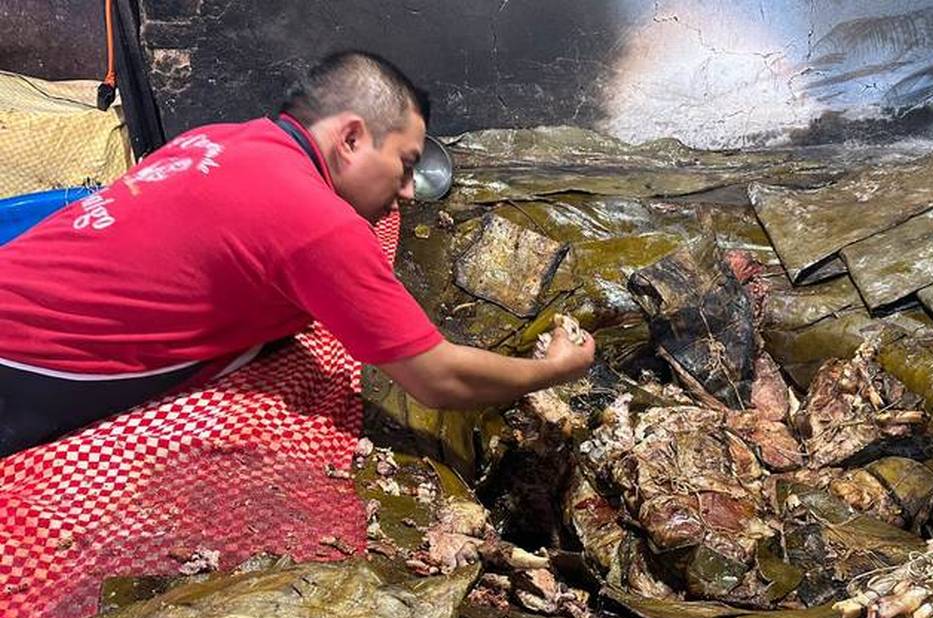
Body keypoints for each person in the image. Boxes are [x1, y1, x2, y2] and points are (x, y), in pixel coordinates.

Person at [0, 51, 595, 457]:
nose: (409, 191)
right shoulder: (319, 225)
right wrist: (554, 370)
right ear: (353, 137)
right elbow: (440, 380)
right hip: (22, 367)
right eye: (406, 165)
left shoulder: (215, 136)